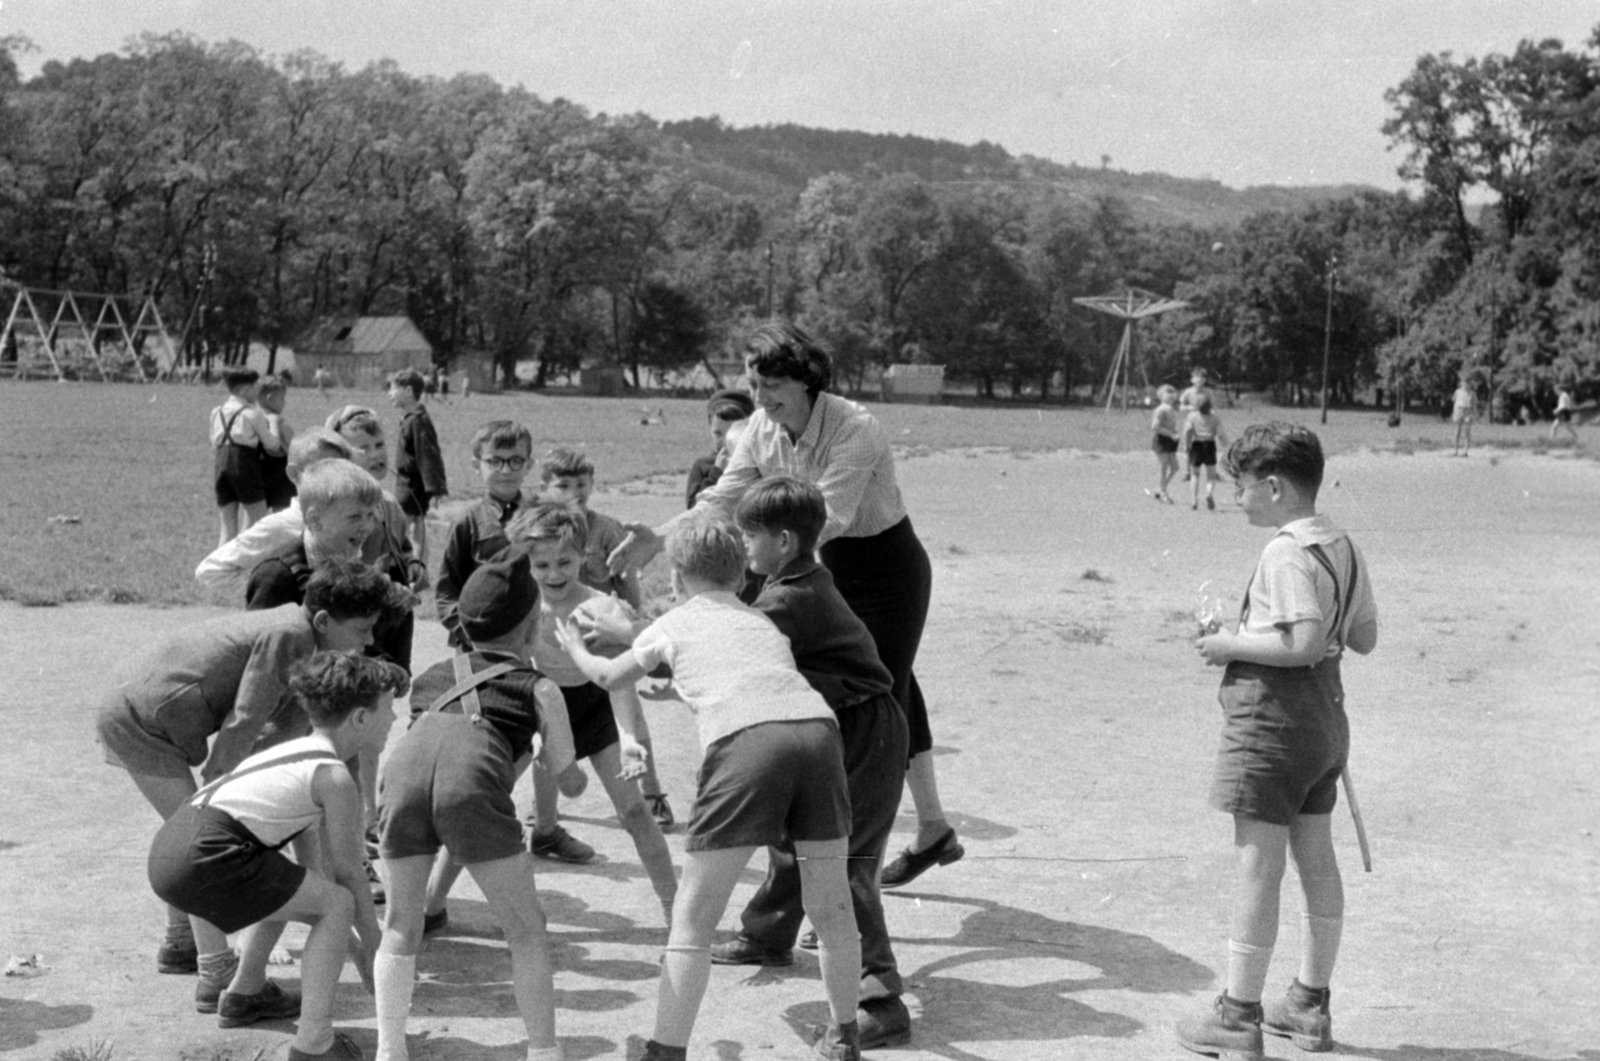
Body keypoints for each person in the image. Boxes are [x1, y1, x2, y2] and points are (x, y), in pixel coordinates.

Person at [607, 320, 962, 890]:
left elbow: (826, 518)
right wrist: (660, 537)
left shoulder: (855, 427)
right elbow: (725, 497)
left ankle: (858, 877)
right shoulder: (759, 427)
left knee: (877, 711)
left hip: (884, 571)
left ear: (808, 379)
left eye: (774, 385)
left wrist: (755, 580)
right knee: (890, 687)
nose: (762, 398)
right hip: (819, 561)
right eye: (754, 385)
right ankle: (933, 829)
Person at [556, 511, 863, 1061]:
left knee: (694, 917)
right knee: (831, 904)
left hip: (748, 745)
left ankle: (665, 1049)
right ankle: (844, 1034)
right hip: (817, 735)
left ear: (676, 577)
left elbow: (607, 677)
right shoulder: (760, 620)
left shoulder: (672, 623)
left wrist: (574, 647)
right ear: (741, 575)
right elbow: (746, 674)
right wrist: (682, 686)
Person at [1176, 422, 1378, 1060]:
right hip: (1325, 722)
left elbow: (1305, 642)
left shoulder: (1284, 552)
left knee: (1258, 867)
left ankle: (1238, 1015)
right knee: (1316, 858)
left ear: (1273, 487)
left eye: (1241, 487)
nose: (1236, 498)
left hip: (1273, 724)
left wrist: (1228, 645)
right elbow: (1364, 638)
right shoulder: (1342, 543)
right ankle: (1309, 1005)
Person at [94, 560, 394, 980]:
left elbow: (277, 737)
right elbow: (246, 717)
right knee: (201, 840)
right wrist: (218, 788)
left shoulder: (304, 646)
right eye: (363, 629)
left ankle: (180, 943)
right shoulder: (291, 634)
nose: (370, 640)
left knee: (196, 838)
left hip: (141, 709)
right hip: (139, 719)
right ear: (324, 621)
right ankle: (216, 971)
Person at [720, 476, 912, 1048]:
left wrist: (639, 645)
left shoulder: (788, 597)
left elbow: (733, 646)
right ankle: (769, 934)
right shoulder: (794, 579)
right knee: (797, 834)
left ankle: (880, 999)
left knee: (846, 864)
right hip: (835, 724)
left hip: (868, 733)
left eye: (749, 535)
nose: (743, 544)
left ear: (782, 541)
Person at [148, 652, 399, 1055]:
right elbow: (349, 874)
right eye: (388, 708)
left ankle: (245, 992)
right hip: (207, 855)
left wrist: (357, 947)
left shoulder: (295, 752)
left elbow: (312, 869)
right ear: (360, 718)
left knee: (293, 887)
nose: (395, 718)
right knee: (336, 904)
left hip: (171, 850)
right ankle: (315, 1043)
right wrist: (374, 950)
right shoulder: (333, 777)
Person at [374, 555, 569, 1061]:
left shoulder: (432, 676)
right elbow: (567, 776)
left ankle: (389, 1049)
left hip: (401, 779)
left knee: (400, 925)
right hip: (471, 789)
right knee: (526, 931)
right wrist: (547, 757)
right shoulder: (539, 686)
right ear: (533, 625)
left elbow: (437, 749)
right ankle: (544, 1052)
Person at [501, 504, 677, 914]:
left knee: (633, 811)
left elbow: (618, 680)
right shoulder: (521, 604)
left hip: (595, 704)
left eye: (565, 562)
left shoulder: (601, 608)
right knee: (483, 795)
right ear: (526, 562)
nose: (554, 574)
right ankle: (431, 903)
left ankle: (674, 904)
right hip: (544, 703)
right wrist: (531, 728)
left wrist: (629, 738)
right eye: (541, 565)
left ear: (583, 555)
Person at [196, 429, 355, 597]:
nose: (333, 477)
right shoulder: (280, 526)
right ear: (294, 474)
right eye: (321, 469)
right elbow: (211, 571)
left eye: (340, 469)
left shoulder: (356, 519)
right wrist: (272, 590)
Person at [437, 420, 535, 652]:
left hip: (531, 642)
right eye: (495, 461)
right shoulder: (467, 523)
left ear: (529, 465)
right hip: (478, 647)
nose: (506, 471)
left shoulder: (540, 517)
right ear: (476, 464)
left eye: (516, 461)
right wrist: (471, 633)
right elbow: (446, 593)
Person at [212, 366, 281, 546]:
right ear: (243, 389)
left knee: (227, 529)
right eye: (254, 387)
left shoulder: (216, 412)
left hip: (220, 464)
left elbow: (214, 441)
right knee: (258, 520)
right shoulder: (252, 413)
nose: (257, 391)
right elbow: (272, 445)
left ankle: (221, 563)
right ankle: (246, 559)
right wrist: (273, 422)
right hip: (243, 464)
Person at [387, 368, 448, 567]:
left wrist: (435, 487)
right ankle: (416, 569)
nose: (389, 393)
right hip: (408, 483)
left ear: (408, 391)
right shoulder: (412, 418)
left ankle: (408, 570)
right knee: (414, 529)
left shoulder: (418, 421)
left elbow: (428, 455)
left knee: (402, 528)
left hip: (412, 485)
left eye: (393, 389)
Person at [686, 388, 755, 507]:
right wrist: (715, 473)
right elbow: (693, 507)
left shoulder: (756, 464)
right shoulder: (703, 466)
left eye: (733, 432)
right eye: (718, 433)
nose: (725, 440)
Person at [258, 375, 297, 512]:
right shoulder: (279, 422)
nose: (284, 402)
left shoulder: (253, 419)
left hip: (258, 471)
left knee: (255, 513)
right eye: (281, 398)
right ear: (270, 399)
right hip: (280, 473)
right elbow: (292, 447)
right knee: (281, 512)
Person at [1183, 394, 1229, 511]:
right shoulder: (1215, 418)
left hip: (1196, 445)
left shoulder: (1192, 416)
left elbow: (1188, 431)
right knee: (1211, 475)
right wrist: (1226, 446)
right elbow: (1221, 434)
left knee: (1194, 475)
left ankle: (1194, 500)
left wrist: (1187, 445)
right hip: (1209, 446)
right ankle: (1208, 493)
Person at [1179, 368, 1212, 483]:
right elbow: (1181, 407)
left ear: (1205, 380)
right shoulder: (1188, 392)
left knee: (1206, 446)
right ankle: (1187, 472)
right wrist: (1189, 407)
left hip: (1203, 422)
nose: (1199, 380)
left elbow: (1212, 407)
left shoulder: (1208, 392)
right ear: (1192, 380)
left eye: (1202, 378)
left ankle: (1211, 471)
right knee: (1187, 447)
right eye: (1197, 377)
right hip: (1191, 421)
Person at [1151, 384, 1181, 503]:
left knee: (1174, 467)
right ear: (1161, 396)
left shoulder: (1171, 409)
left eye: (1172, 392)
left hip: (1170, 442)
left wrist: (1175, 433)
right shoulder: (1161, 410)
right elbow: (1155, 427)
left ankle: (1160, 489)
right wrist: (1171, 434)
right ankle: (1163, 493)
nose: (1171, 395)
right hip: (1161, 441)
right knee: (1164, 466)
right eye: (1167, 393)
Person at [1451, 374, 1477, 456]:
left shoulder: (1472, 393)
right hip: (1459, 410)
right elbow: (1454, 401)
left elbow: (1474, 404)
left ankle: (1465, 451)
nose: (1466, 384)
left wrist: (1474, 414)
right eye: (1464, 382)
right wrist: (1454, 412)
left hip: (1468, 411)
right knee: (1457, 431)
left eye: (1468, 383)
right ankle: (1456, 450)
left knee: (1467, 432)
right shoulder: (1457, 391)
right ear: (1461, 383)